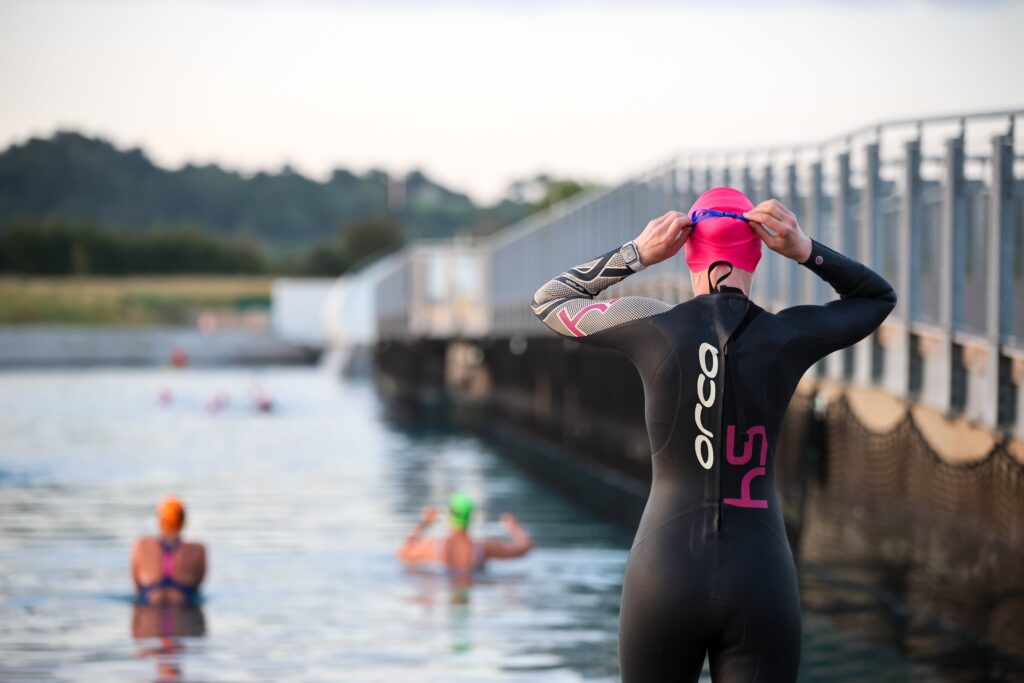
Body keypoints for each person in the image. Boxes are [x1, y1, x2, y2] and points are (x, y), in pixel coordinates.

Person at [531, 187, 896, 682]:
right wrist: (807, 249)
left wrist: (637, 253)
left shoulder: (649, 321)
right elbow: (877, 297)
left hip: (663, 570)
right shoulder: (787, 335)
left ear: (687, 253)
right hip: (761, 574)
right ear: (759, 252)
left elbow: (550, 301)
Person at [398, 492, 533, 573]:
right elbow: (523, 549)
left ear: (449, 516)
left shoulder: (433, 546)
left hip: (441, 584)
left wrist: (424, 523)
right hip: (474, 583)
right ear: (471, 517)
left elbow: (404, 553)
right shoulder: (483, 547)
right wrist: (515, 528)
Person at [132, 495, 206, 606]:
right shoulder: (198, 550)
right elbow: (197, 585)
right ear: (184, 522)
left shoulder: (142, 546)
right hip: (183, 605)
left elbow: (137, 588)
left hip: (151, 604)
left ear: (159, 521)